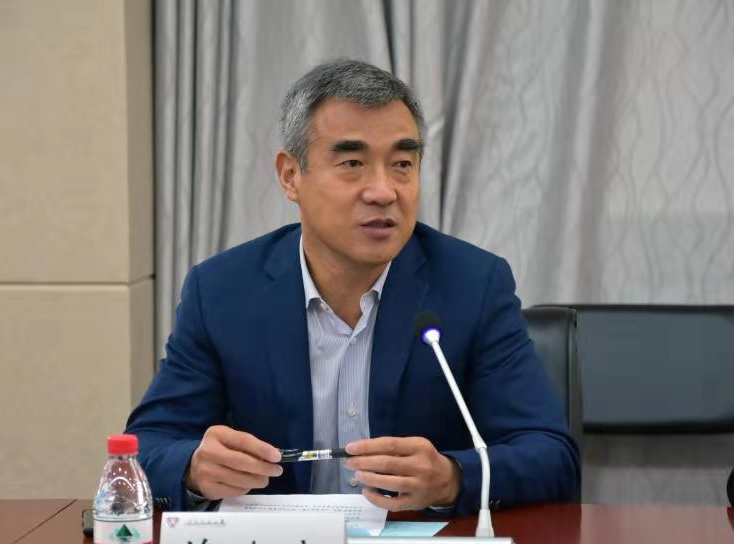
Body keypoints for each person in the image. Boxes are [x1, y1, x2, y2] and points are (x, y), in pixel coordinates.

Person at [126, 59, 580, 515]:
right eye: (352, 163)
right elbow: (144, 451)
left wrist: (451, 477)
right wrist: (193, 469)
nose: (383, 191)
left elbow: (552, 456)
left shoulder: (472, 285)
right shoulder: (223, 291)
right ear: (290, 176)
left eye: (402, 164)